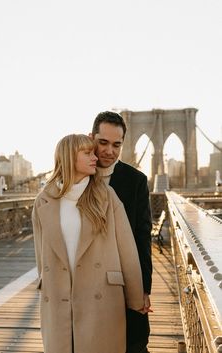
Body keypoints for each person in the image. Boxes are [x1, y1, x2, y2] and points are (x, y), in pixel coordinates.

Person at [32, 134, 146, 353]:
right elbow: (41, 253)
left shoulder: (106, 196)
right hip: (59, 297)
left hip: (101, 298)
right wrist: (45, 282)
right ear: (68, 157)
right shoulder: (43, 201)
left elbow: (127, 249)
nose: (95, 157)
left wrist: (136, 298)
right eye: (87, 153)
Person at [91, 111, 153, 353]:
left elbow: (142, 236)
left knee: (134, 344)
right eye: (103, 142)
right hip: (87, 286)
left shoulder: (136, 181)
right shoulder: (78, 177)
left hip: (123, 279)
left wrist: (144, 288)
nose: (109, 151)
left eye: (117, 144)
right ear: (91, 137)